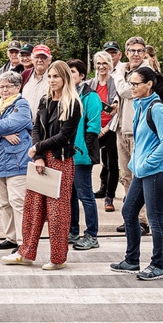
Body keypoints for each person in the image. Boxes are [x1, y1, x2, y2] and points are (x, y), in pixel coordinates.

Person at [2, 61, 81, 270]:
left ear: (65, 78)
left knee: (57, 212)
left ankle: (57, 258)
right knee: (32, 209)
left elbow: (65, 136)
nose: (52, 80)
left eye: (56, 76)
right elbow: (36, 127)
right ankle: (26, 253)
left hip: (61, 161)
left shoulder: (73, 103)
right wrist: (37, 154)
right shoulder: (45, 100)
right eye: (50, 76)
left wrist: (38, 147)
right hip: (41, 158)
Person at [109, 66, 163, 280]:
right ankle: (132, 260)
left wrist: (147, 163)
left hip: (156, 171)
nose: (132, 87)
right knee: (128, 212)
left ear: (149, 84)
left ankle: (157, 265)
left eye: (135, 84)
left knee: (155, 219)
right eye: (130, 83)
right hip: (143, 171)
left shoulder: (157, 108)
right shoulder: (140, 105)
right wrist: (140, 165)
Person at [0, 70, 32, 251]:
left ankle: (23, 241)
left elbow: (13, 124)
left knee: (18, 203)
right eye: (1, 87)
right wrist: (3, 135)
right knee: (3, 203)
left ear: (18, 87)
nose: (4, 90)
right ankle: (10, 237)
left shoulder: (22, 105)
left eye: (8, 86)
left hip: (17, 162)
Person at [112, 37, 151, 234]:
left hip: (139, 132)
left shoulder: (146, 71)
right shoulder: (127, 71)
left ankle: (143, 220)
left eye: (139, 50)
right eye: (132, 50)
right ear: (126, 53)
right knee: (126, 177)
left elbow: (126, 91)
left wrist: (118, 73)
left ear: (145, 52)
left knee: (138, 176)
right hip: (122, 129)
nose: (135, 54)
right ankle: (131, 217)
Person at [67, 60, 102, 251]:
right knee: (70, 196)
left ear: (81, 75)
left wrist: (85, 151)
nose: (69, 75)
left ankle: (92, 234)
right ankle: (73, 231)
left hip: (81, 155)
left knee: (85, 195)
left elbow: (93, 127)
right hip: (66, 156)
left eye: (72, 72)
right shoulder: (64, 95)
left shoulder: (90, 96)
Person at [90, 51, 120, 211]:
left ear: (110, 65)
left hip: (110, 128)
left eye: (105, 64)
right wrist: (95, 128)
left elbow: (118, 109)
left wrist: (106, 128)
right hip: (94, 128)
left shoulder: (115, 83)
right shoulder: (91, 84)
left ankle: (109, 196)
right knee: (88, 160)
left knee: (111, 163)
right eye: (99, 63)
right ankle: (92, 190)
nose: (101, 67)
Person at [19, 45, 52, 113]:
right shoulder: (25, 75)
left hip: (45, 122)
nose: (39, 60)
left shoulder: (53, 77)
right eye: (36, 57)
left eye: (43, 57)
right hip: (25, 121)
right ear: (32, 59)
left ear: (49, 60)